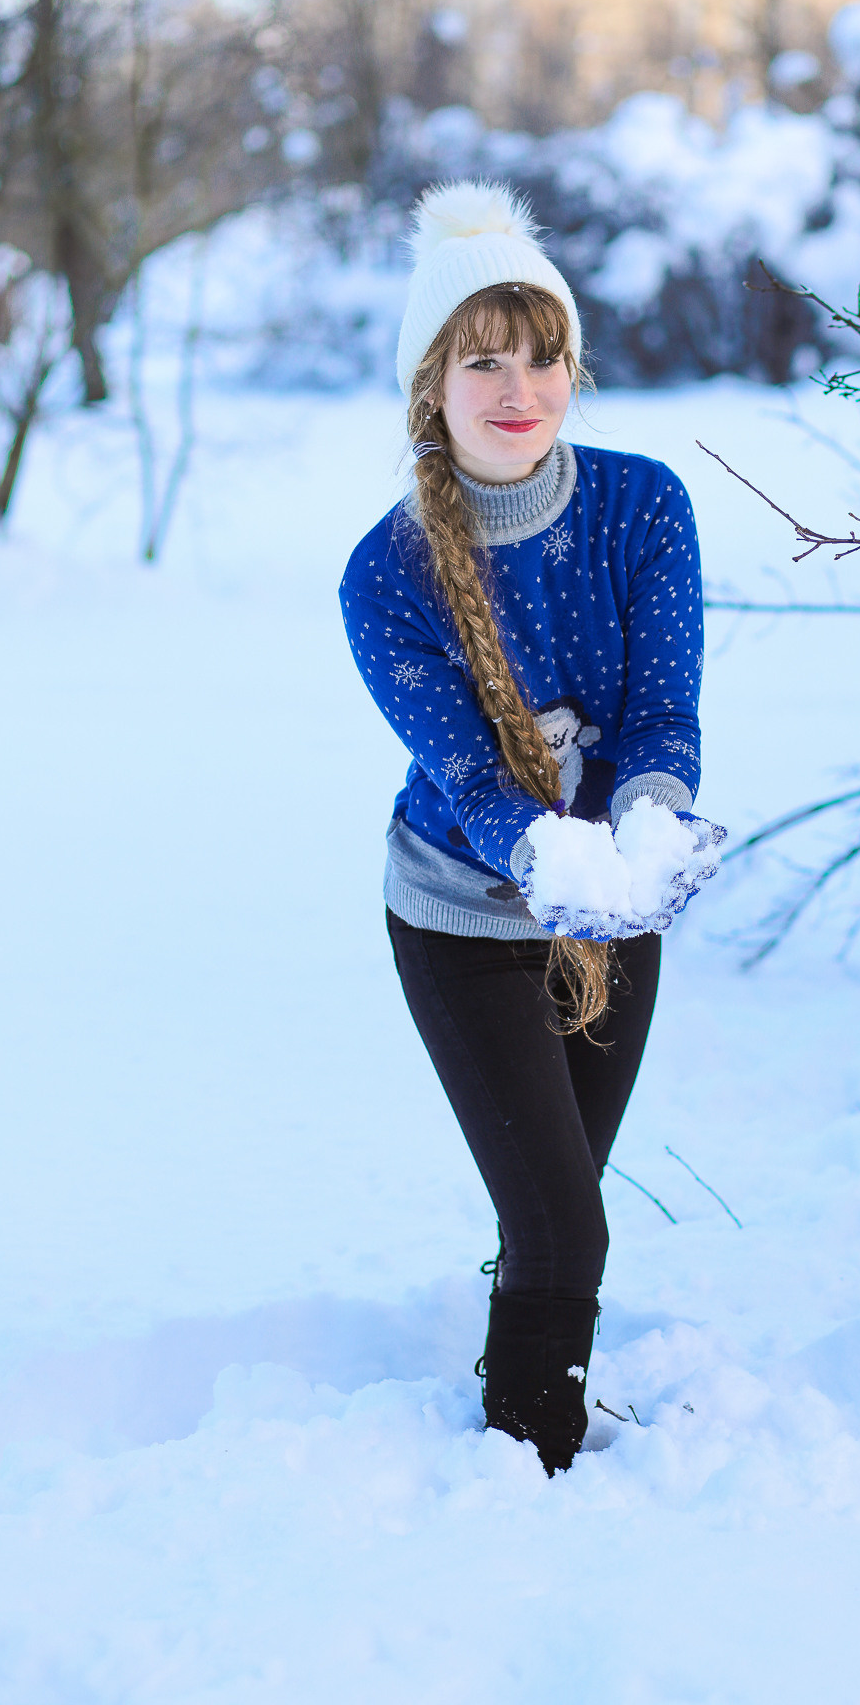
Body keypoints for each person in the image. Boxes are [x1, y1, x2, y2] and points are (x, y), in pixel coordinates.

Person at [339, 180, 710, 1475]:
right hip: (463, 916)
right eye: (480, 359)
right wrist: (558, 856)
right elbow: (470, 779)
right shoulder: (386, 573)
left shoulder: (643, 507)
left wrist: (650, 831)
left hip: (617, 917)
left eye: (542, 355)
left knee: (560, 1207)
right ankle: (530, 1459)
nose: (518, 388)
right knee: (564, 1221)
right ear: (429, 388)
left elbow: (664, 714)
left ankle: (524, 1386)